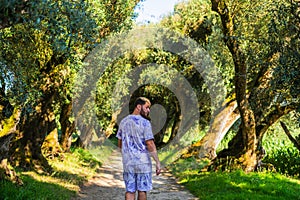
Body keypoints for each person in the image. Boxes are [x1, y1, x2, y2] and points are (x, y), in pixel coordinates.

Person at [116, 97, 161, 200]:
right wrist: (157, 162)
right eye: (147, 107)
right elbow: (149, 143)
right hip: (142, 162)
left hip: (128, 162)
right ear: (138, 106)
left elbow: (120, 142)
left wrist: (126, 155)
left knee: (130, 190)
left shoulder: (123, 122)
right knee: (142, 190)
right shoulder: (145, 123)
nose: (148, 110)